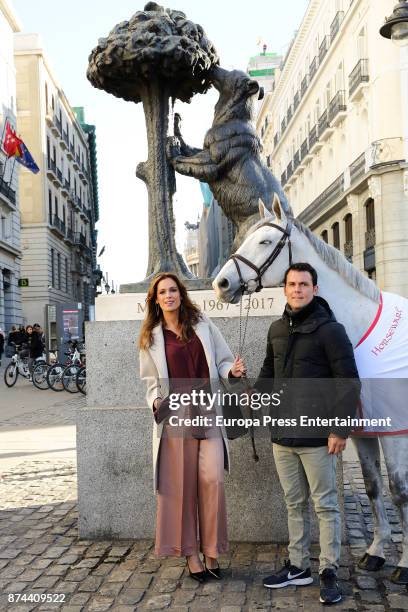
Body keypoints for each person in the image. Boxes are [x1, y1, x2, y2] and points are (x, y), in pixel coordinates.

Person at [254, 263, 360, 605]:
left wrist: (340, 429)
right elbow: (268, 372)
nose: (297, 289)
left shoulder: (331, 331)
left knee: (325, 506)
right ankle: (299, 566)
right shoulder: (275, 329)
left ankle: (329, 571)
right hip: (282, 435)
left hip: (318, 437)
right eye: (292, 284)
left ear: (314, 289)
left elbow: (348, 382)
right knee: (294, 503)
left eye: (303, 284)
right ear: (284, 289)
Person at [139, 272, 246, 582]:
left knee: (212, 479)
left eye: (173, 290)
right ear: (156, 299)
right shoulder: (151, 336)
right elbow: (150, 382)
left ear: (180, 294)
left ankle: (212, 551)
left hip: (208, 410)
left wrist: (233, 371)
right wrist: (156, 401)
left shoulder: (202, 323)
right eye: (163, 292)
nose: (169, 295)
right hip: (177, 416)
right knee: (182, 488)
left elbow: (224, 361)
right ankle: (191, 556)